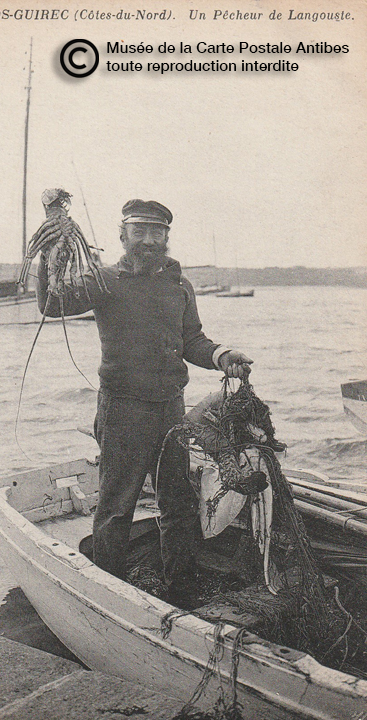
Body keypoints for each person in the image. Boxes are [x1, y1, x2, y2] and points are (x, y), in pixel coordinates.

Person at [36, 198, 252, 606]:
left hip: (171, 409)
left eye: (157, 232)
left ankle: (182, 593)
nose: (149, 240)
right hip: (123, 409)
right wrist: (49, 253)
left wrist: (223, 356)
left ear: (167, 237)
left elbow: (193, 341)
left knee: (179, 504)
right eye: (140, 231)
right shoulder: (103, 280)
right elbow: (51, 305)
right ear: (123, 235)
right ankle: (109, 596)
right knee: (117, 508)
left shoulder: (179, 285)